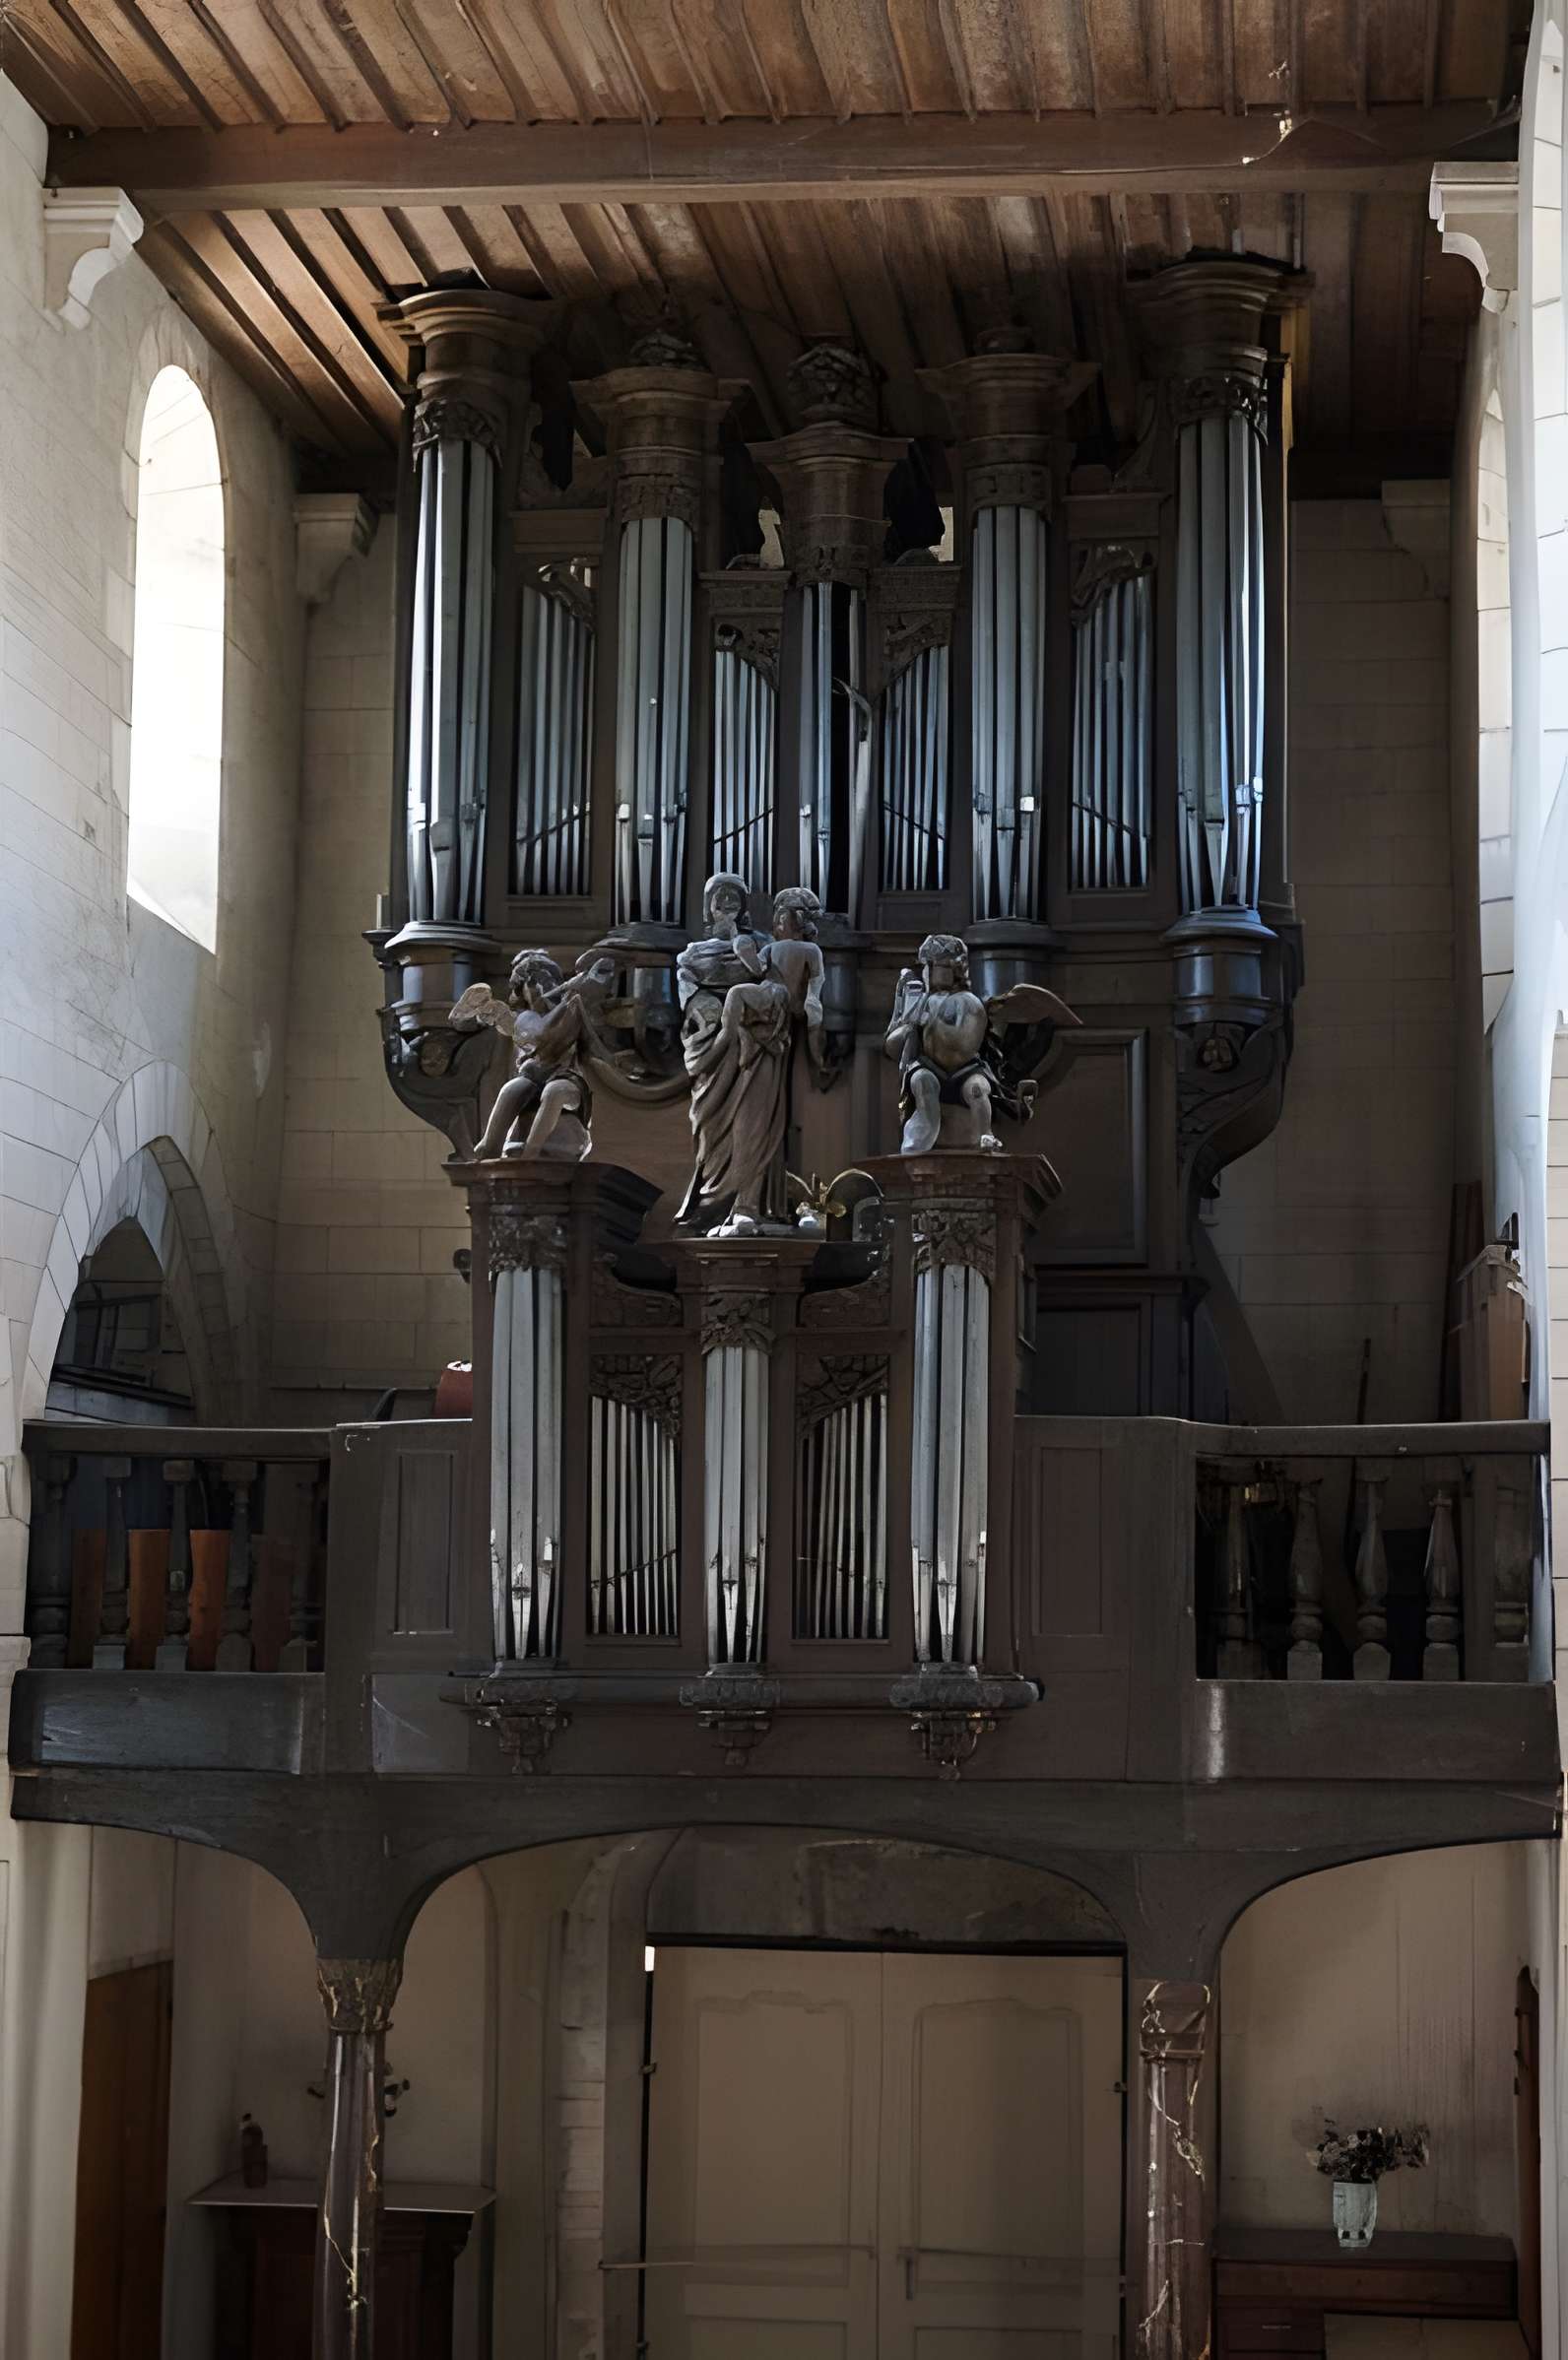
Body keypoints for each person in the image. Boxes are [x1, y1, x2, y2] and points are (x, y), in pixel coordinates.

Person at [677, 879, 824, 1234]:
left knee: (754, 1121)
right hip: (716, 1044)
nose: (727, 903)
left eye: (735, 898)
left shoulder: (763, 944)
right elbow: (689, 994)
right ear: (708, 906)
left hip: (757, 1044)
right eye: (720, 898)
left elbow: (778, 980)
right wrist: (706, 1010)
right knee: (710, 1131)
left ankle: (748, 1204)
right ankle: (716, 1204)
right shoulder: (691, 954)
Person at [451, 950, 616, 1160]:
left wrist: (576, 995)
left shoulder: (572, 1006)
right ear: (522, 991)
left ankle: (530, 1153)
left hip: (568, 1076)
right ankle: (488, 1148)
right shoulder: (524, 1018)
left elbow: (589, 1035)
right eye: (531, 982)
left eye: (544, 980)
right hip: (533, 1075)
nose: (539, 987)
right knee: (511, 1090)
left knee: (554, 1092)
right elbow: (541, 1036)